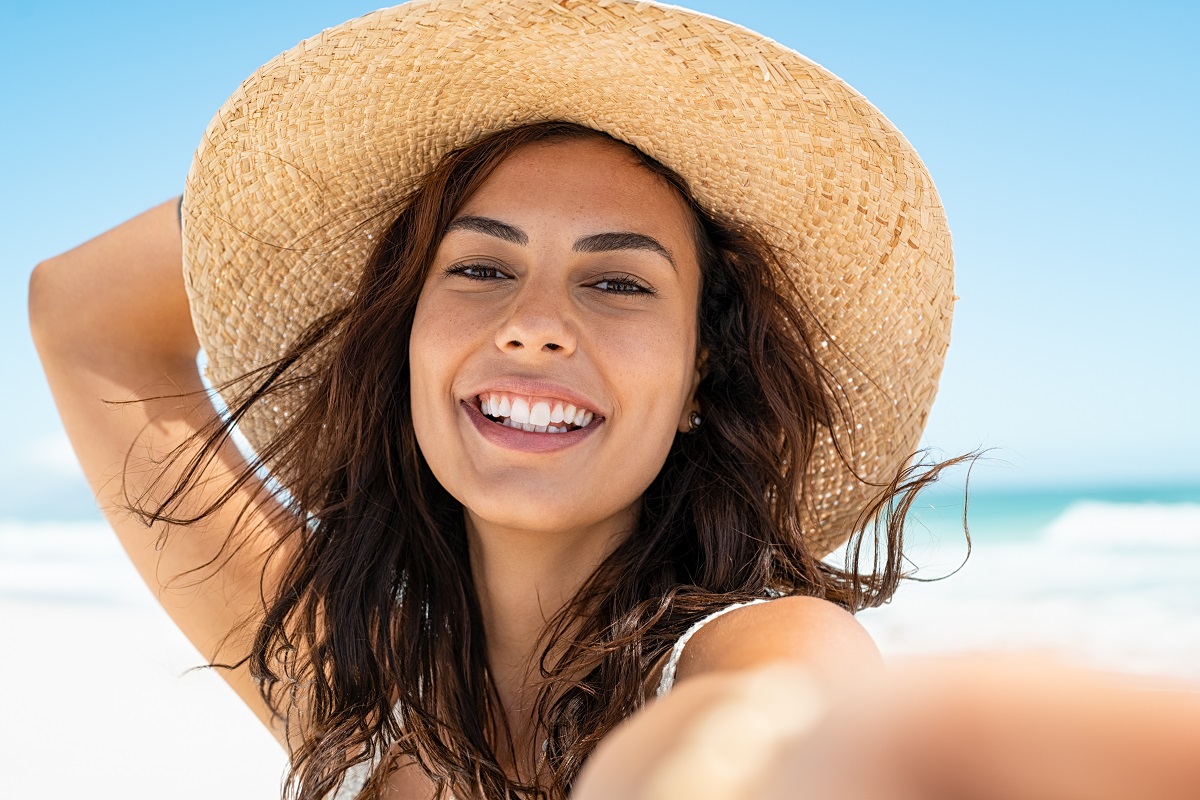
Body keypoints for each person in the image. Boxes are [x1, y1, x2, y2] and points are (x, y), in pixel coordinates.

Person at [27, 2, 1200, 799]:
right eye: (479, 266)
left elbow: (765, 735)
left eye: (618, 280)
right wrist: (304, 190)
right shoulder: (354, 677)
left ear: (700, 379)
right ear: (405, 341)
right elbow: (81, 315)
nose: (535, 320)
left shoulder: (758, 645)